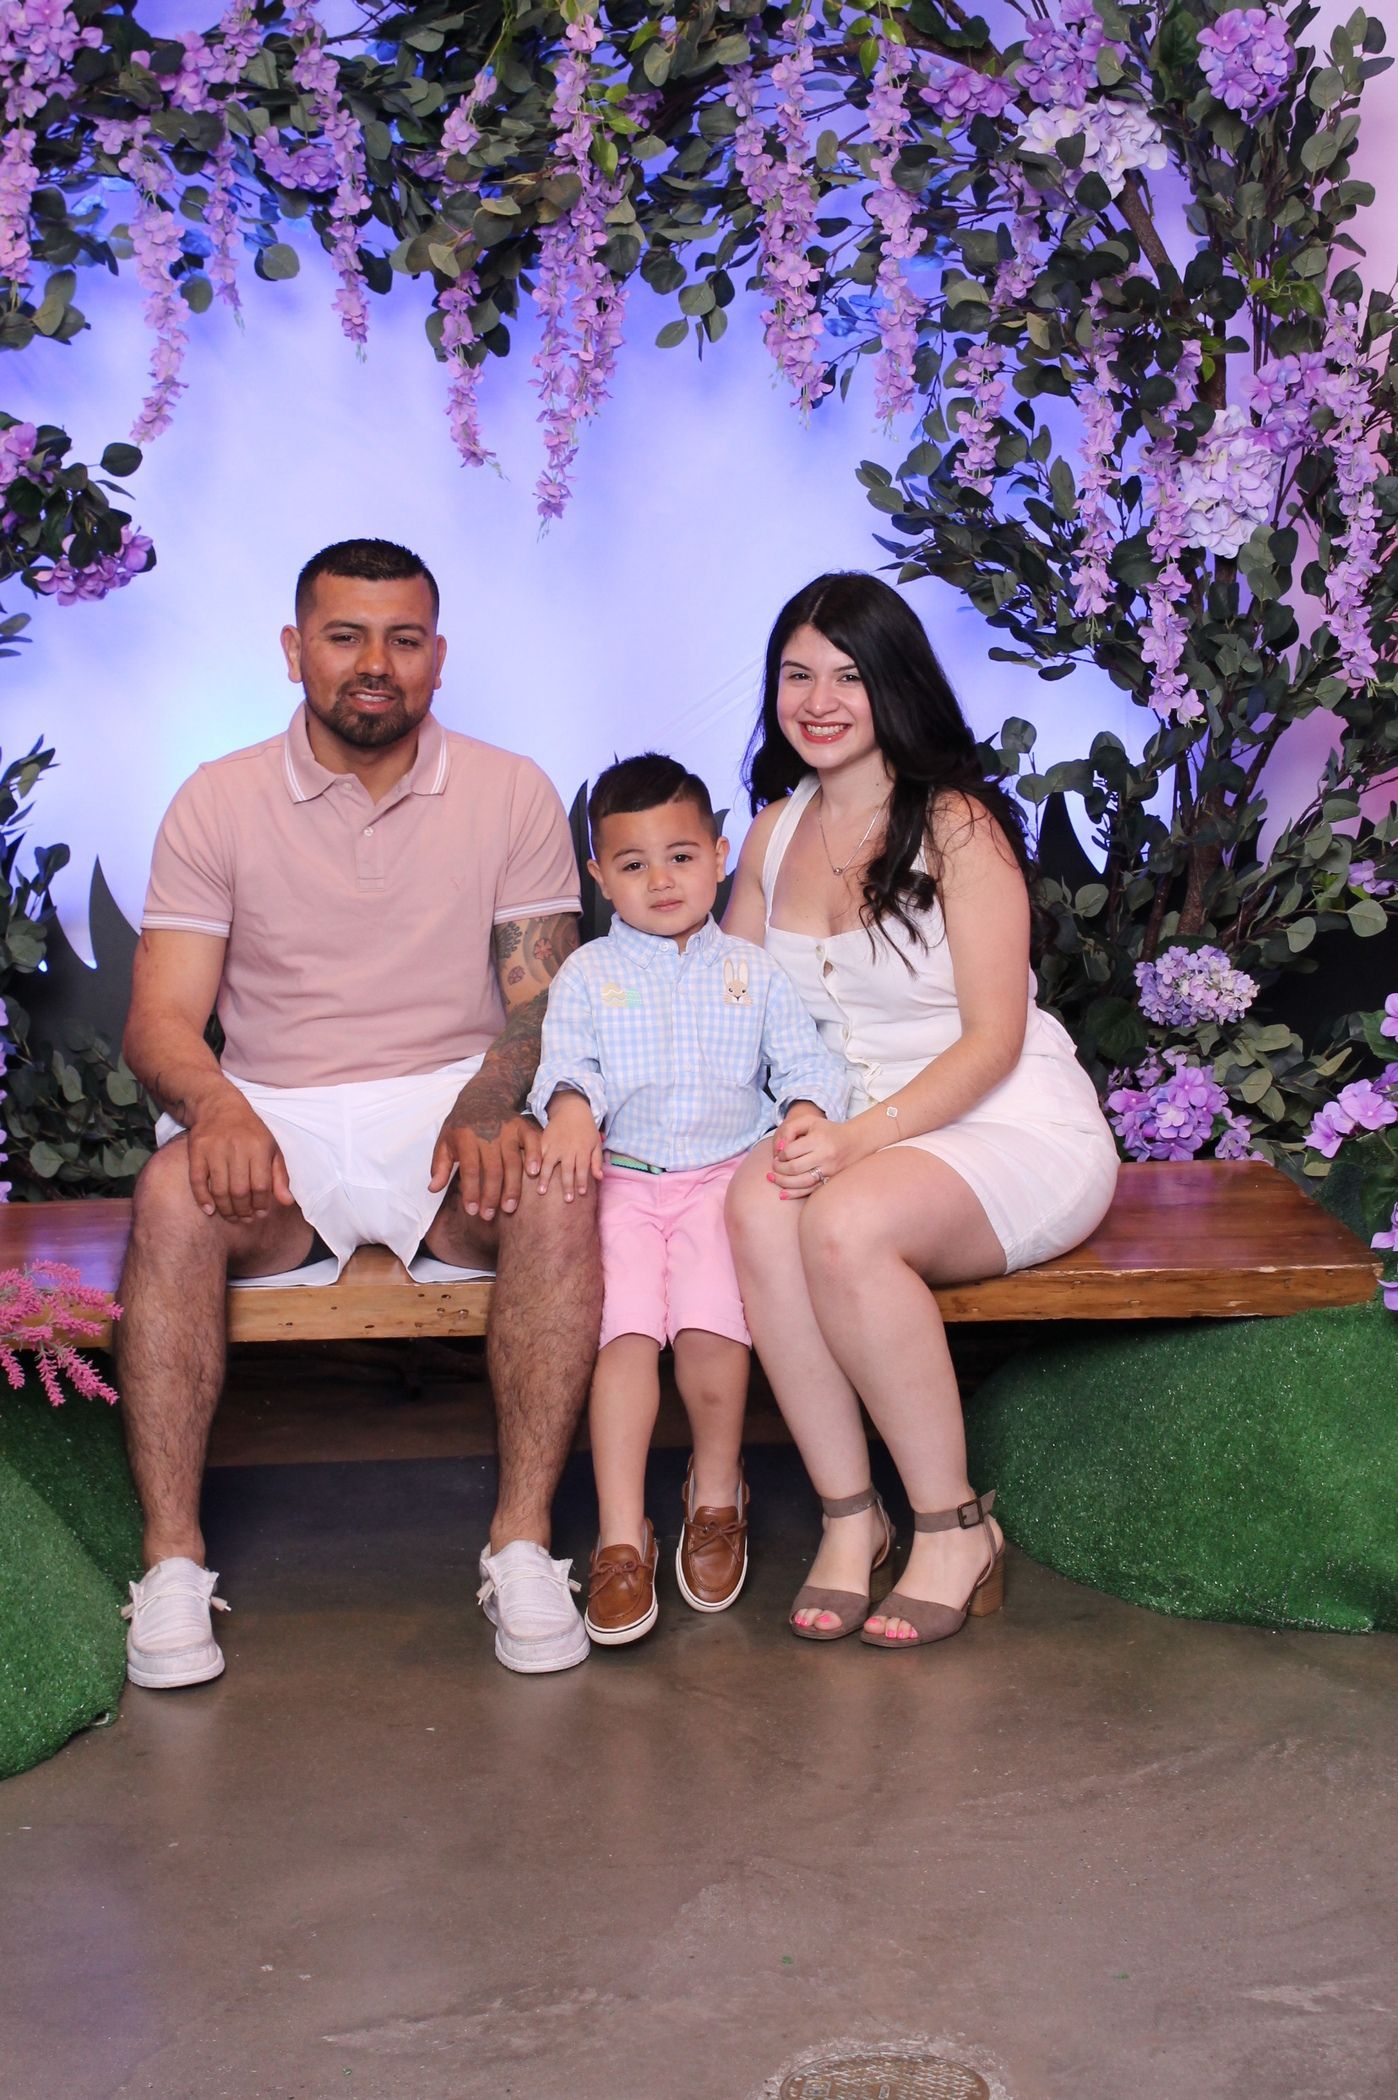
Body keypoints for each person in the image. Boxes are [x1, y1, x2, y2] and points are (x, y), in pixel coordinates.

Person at [117, 538, 601, 1686]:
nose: (373, 664)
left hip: (445, 1099)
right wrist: (218, 1106)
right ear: (295, 652)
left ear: (438, 658)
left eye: (403, 638)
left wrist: (495, 1097)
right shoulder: (217, 797)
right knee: (168, 1197)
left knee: (554, 1189)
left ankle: (523, 1543)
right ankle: (174, 1563)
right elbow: (159, 1024)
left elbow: (545, 1006)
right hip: (275, 1107)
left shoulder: (511, 788)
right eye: (344, 636)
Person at [722, 572, 1119, 1649]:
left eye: (848, 675)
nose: (817, 698)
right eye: (796, 673)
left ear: (893, 685)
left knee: (846, 1224)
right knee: (757, 1206)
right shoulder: (768, 838)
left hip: (1005, 1120)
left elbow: (992, 1038)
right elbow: (743, 1016)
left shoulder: (958, 825)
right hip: (856, 1131)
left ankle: (953, 1525)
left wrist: (853, 1138)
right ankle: (853, 1520)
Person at [527, 754, 850, 1645]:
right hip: (622, 1185)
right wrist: (565, 1110)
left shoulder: (749, 969)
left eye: (681, 857)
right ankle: (621, 1534)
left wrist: (810, 1111)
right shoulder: (590, 974)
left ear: (719, 855)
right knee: (624, 1341)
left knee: (712, 1338)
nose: (660, 881)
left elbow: (803, 1059)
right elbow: (569, 1063)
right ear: (599, 877)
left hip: (723, 1182)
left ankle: (716, 1493)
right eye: (632, 865)